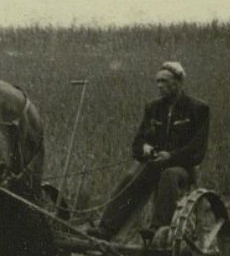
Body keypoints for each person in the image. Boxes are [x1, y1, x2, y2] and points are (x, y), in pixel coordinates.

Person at [90, 61, 210, 240]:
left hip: (182, 169)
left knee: (168, 175)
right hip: (154, 165)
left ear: (178, 83)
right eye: (157, 81)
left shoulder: (198, 109)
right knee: (131, 179)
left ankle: (157, 229)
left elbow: (197, 150)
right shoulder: (153, 108)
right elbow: (137, 143)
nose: (159, 86)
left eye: (164, 81)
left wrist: (170, 156)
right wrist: (145, 148)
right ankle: (106, 229)